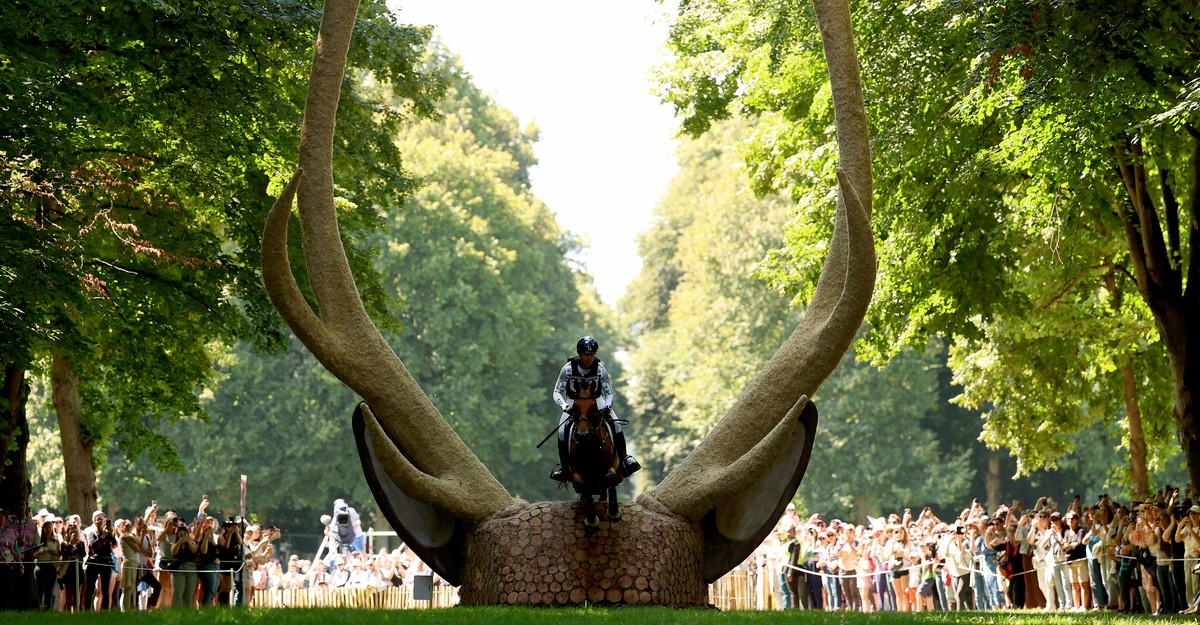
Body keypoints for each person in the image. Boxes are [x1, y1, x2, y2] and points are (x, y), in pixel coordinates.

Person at [549, 336, 639, 482]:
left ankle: (624, 459)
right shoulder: (567, 370)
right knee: (561, 430)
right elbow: (556, 392)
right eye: (586, 354)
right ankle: (564, 468)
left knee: (615, 424)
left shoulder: (600, 370)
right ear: (579, 354)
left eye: (592, 354)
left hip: (597, 401)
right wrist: (564, 406)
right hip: (573, 402)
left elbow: (609, 392)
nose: (589, 358)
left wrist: (607, 407)